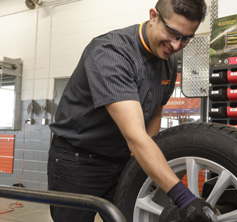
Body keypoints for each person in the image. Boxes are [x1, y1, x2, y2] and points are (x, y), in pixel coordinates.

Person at [47, 0, 216, 221]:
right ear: (153, 16)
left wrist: (152, 173)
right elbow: (135, 135)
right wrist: (183, 197)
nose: (176, 45)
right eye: (173, 33)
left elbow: (153, 119)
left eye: (185, 38)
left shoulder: (168, 63)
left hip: (121, 160)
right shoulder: (111, 52)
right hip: (78, 161)